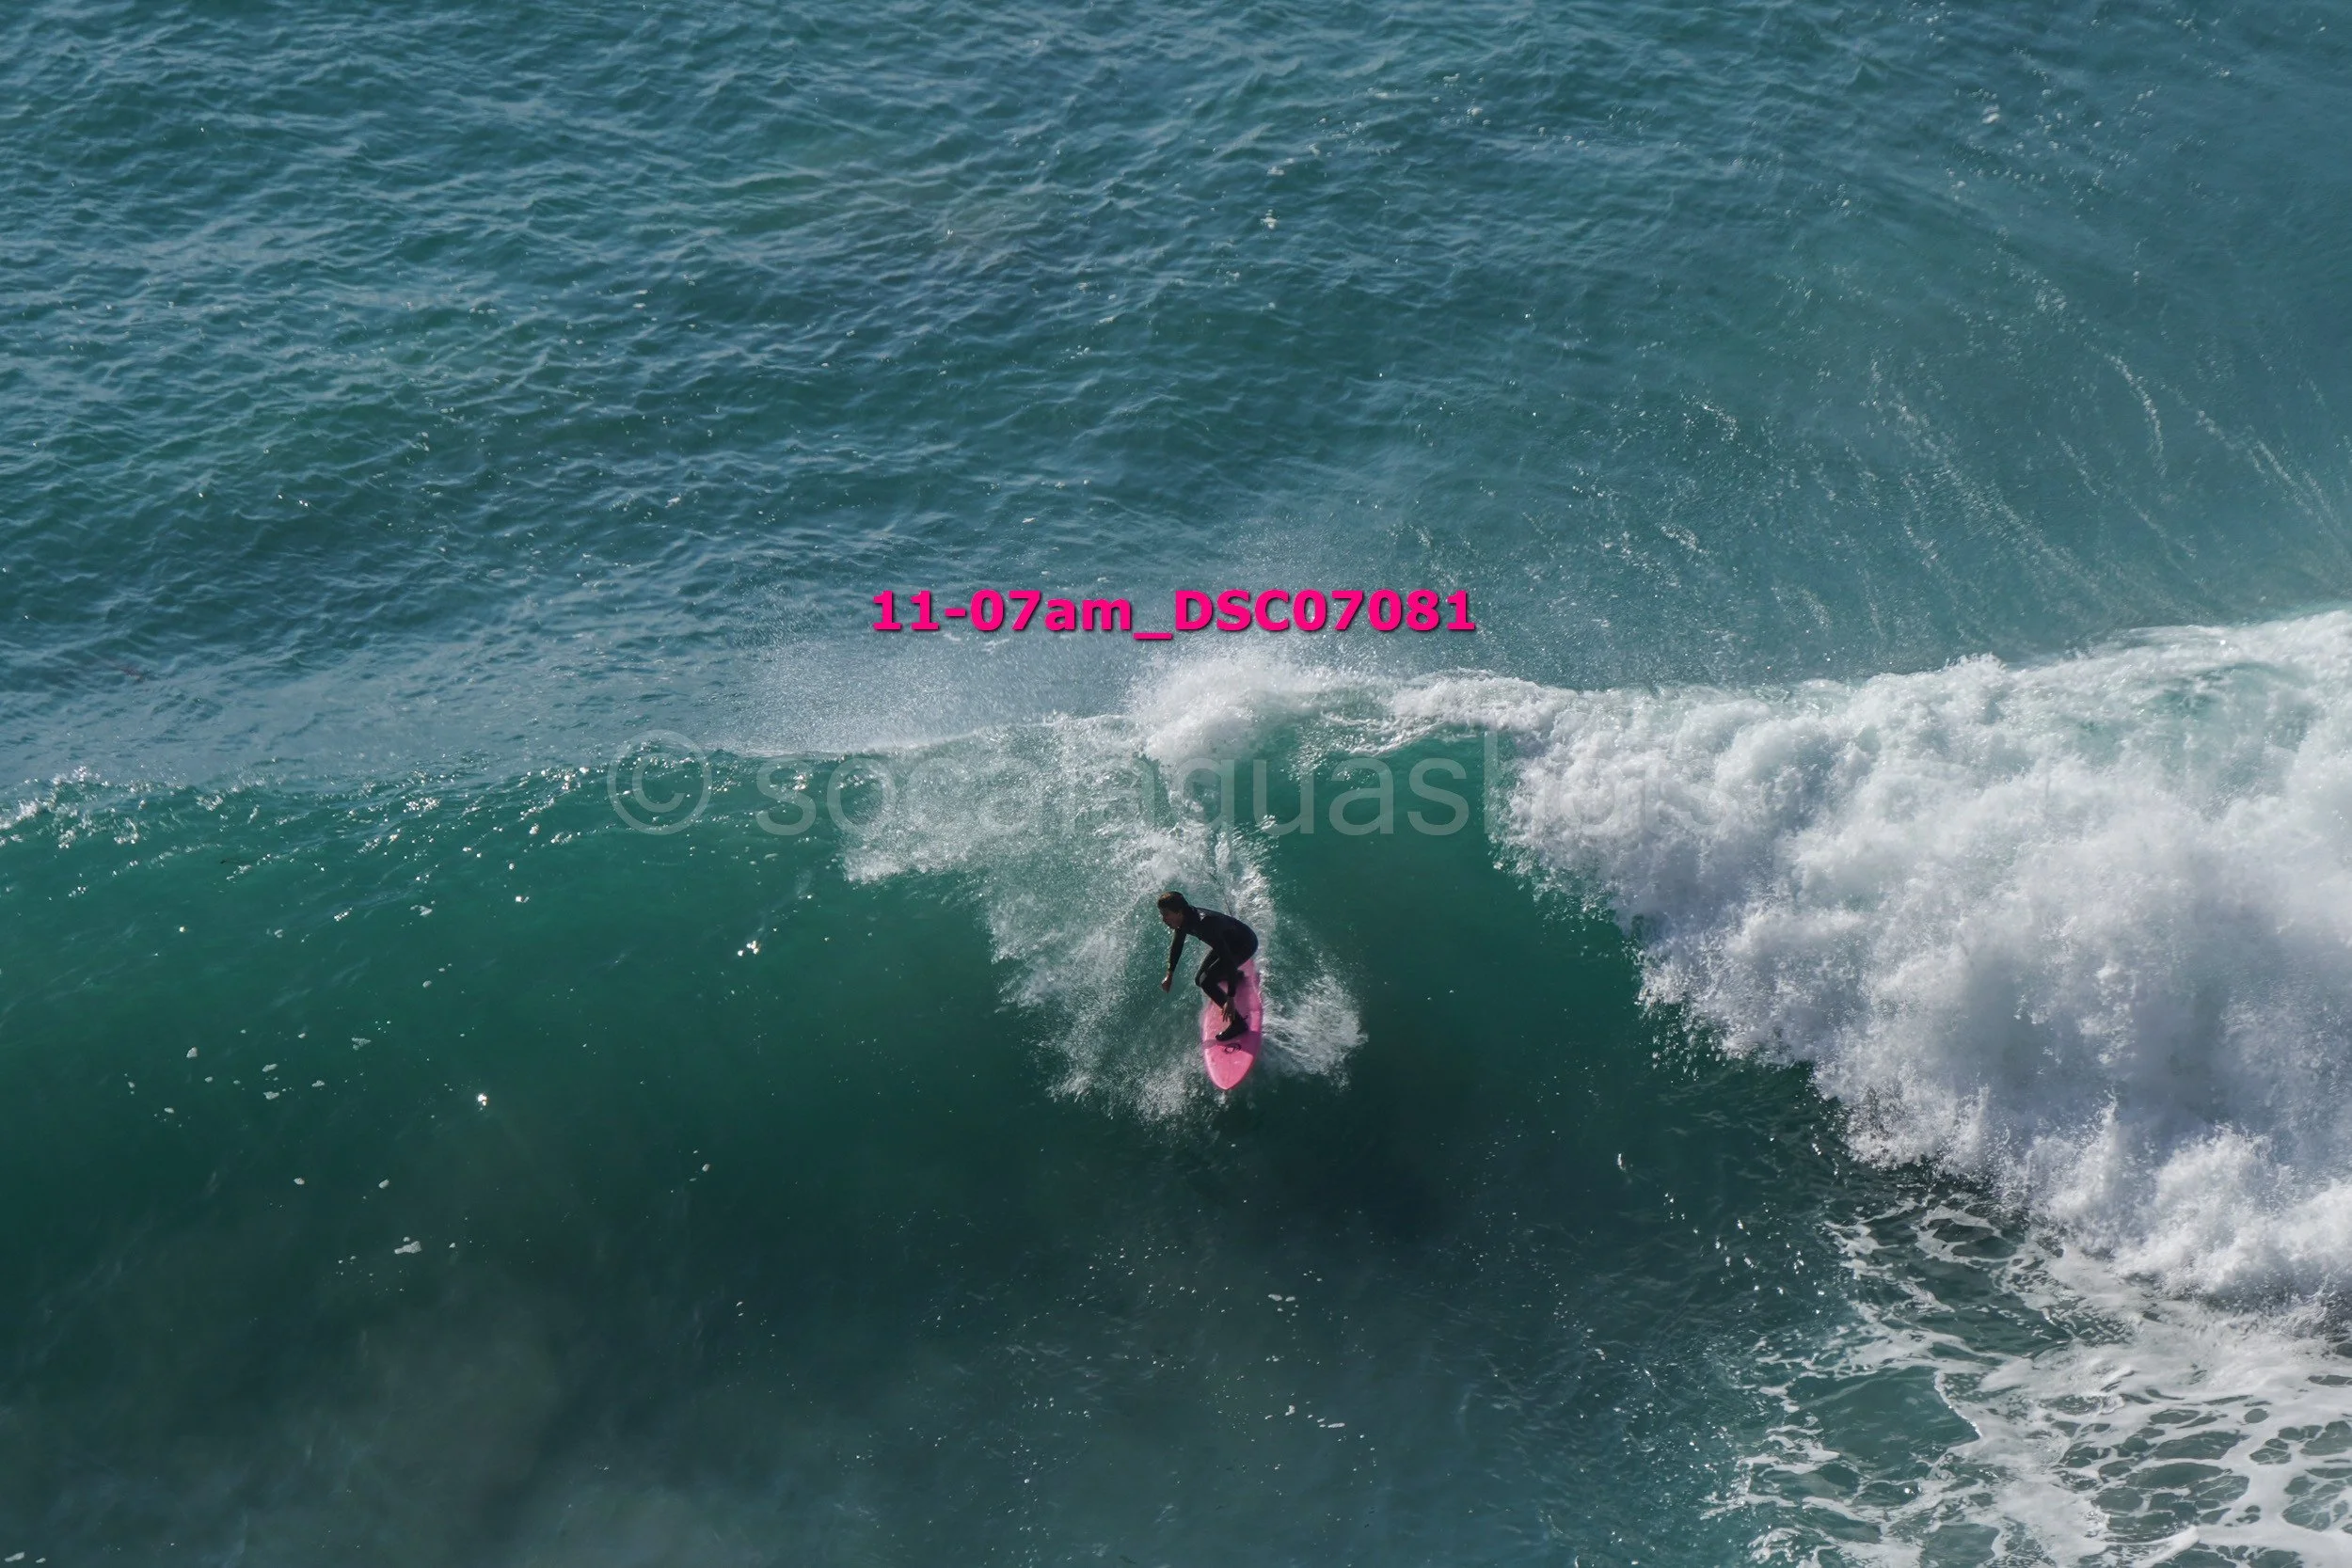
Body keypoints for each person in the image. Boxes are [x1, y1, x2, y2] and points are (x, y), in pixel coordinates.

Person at [1157, 891, 1258, 1040]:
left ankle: (1238, 1024)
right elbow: (1177, 944)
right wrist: (1170, 974)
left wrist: (1230, 997)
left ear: (1178, 912)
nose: (1163, 919)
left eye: (1166, 914)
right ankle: (1234, 975)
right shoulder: (1183, 920)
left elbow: (1228, 960)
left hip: (1244, 944)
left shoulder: (1204, 924)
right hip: (1226, 943)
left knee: (1206, 981)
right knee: (1200, 980)